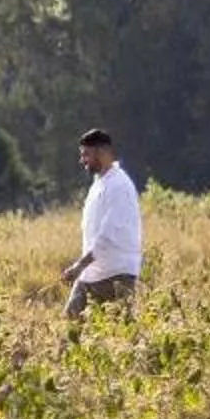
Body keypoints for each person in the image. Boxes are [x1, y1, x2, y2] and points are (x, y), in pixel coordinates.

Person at [62, 128, 141, 326]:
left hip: (116, 274)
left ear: (101, 152)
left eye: (86, 154)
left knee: (118, 332)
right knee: (71, 323)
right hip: (93, 273)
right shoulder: (99, 184)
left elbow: (108, 234)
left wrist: (80, 265)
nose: (82, 160)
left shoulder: (119, 186)